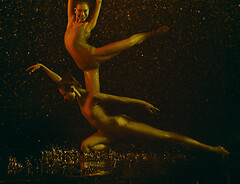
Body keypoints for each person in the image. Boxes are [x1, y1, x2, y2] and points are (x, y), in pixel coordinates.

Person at [27, 63, 229, 155]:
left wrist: (144, 104)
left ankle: (211, 149)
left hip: (122, 125)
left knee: (165, 136)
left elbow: (122, 100)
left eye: (64, 95)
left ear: (72, 89)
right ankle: (117, 151)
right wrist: (43, 67)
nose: (63, 98)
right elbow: (60, 81)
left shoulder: (92, 96)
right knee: (86, 147)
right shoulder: (76, 97)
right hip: (107, 133)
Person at [64, 0, 169, 93]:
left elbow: (99, 3)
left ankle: (154, 33)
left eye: (85, 11)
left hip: (93, 56)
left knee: (129, 42)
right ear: (75, 10)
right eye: (80, 11)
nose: (82, 14)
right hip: (87, 68)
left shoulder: (87, 25)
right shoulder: (70, 21)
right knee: (94, 103)